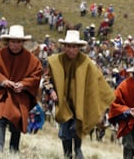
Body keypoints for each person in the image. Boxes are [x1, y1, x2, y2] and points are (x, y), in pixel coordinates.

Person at [47, 30, 114, 159]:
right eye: (69, 46)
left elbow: (98, 79)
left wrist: (106, 96)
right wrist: (51, 91)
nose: (71, 50)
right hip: (63, 101)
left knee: (77, 126)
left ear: (78, 48)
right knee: (64, 130)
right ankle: (67, 154)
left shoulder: (86, 62)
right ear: (64, 46)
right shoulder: (56, 61)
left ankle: (78, 150)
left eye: (74, 47)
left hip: (80, 101)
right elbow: (47, 79)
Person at [0, 25, 42, 154]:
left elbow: (36, 75)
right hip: (1, 92)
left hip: (20, 94)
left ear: (23, 43)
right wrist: (2, 81)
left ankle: (14, 147)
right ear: (8, 42)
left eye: (18, 42)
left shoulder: (31, 59)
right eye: (13, 42)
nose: (15, 45)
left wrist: (24, 84)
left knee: (17, 115)